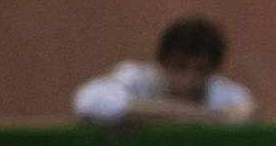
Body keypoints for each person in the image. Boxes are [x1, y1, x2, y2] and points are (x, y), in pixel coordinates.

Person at [72, 17, 256, 125]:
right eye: (180, 66)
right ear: (162, 63)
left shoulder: (223, 93)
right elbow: (90, 100)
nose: (189, 77)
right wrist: (203, 115)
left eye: (199, 69)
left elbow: (245, 110)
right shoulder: (135, 78)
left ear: (213, 70)